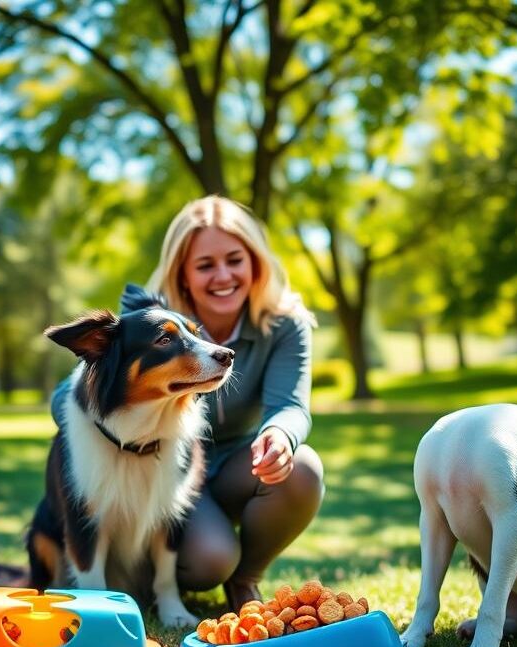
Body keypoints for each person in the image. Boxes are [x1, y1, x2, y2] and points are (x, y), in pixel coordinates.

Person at [50, 195, 325, 610]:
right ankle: (138, 581)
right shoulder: (158, 315)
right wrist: (103, 428)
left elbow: (290, 404)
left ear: (255, 261)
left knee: (303, 469)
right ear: (183, 272)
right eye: (205, 265)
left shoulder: (285, 323)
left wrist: (280, 436)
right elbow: (73, 393)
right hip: (162, 467)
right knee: (209, 562)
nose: (223, 275)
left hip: (237, 466)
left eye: (235, 259)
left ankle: (244, 581)